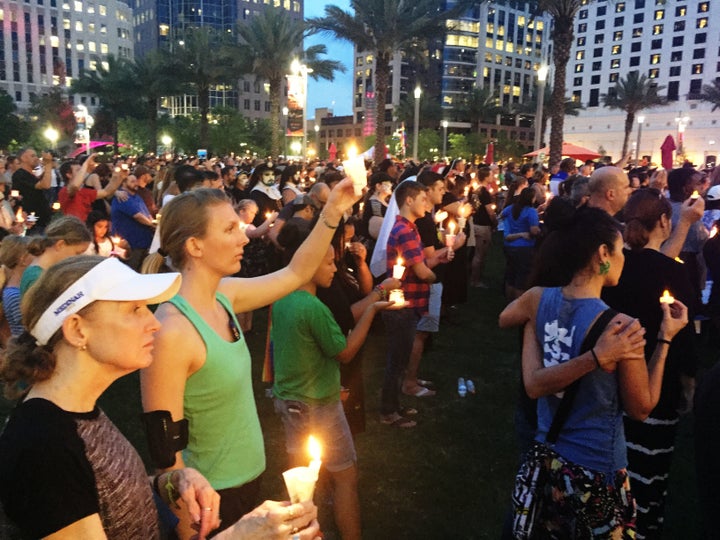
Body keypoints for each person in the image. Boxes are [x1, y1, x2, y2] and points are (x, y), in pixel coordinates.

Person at [0, 256, 320, 540]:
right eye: (134, 309)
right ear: (77, 330)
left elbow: (102, 498)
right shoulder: (44, 449)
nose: (153, 323)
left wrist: (170, 482)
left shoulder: (77, 412)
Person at [140, 181, 358, 536]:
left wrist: (332, 211)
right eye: (229, 229)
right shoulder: (173, 331)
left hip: (248, 480)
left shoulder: (223, 295)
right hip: (210, 497)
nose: (244, 238)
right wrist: (188, 531)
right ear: (194, 245)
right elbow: (168, 462)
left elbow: (296, 273)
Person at [499, 207, 689, 538]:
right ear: (603, 254)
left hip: (549, 459)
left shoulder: (537, 299)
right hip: (596, 469)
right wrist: (665, 338)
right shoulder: (622, 329)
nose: (624, 259)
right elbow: (641, 408)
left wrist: (533, 324)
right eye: (619, 251)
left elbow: (505, 317)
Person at [272, 227, 393, 540]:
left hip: (288, 400)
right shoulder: (314, 309)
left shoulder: (281, 299)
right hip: (319, 405)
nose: (334, 269)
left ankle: (299, 533)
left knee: (299, 484)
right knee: (345, 477)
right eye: (328, 263)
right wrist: (373, 310)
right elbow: (345, 353)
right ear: (309, 265)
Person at [601, 188, 698, 538]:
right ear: (662, 221)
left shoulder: (613, 269)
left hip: (613, 379)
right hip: (659, 380)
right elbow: (686, 338)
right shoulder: (672, 273)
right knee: (650, 467)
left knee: (620, 461)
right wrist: (689, 383)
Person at [381, 180, 452, 428]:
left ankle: (395, 406)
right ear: (408, 201)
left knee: (399, 360)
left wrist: (440, 259)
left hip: (408, 302)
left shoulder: (410, 228)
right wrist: (436, 278)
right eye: (422, 199)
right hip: (403, 304)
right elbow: (421, 273)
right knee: (396, 361)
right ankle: (388, 412)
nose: (426, 203)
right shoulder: (405, 231)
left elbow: (419, 264)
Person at [20, 215, 92, 295]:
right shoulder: (38, 279)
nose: (79, 258)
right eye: (77, 253)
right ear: (60, 245)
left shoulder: (49, 272)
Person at [500, 187, 540, 300]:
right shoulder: (531, 211)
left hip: (509, 246)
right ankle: (517, 304)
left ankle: (508, 301)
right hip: (524, 247)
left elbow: (502, 215)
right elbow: (534, 230)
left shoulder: (511, 208)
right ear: (531, 198)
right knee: (521, 277)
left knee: (511, 274)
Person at [111, 174, 156, 271]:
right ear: (123, 183)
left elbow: (147, 215)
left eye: (136, 181)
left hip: (143, 242)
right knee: (130, 270)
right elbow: (137, 216)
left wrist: (153, 222)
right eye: (132, 181)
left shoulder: (137, 197)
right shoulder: (123, 197)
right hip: (131, 244)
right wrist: (152, 224)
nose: (135, 184)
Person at [11, 148, 54, 232]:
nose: (37, 158)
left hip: (41, 219)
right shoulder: (20, 174)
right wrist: (48, 164)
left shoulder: (31, 175)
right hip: (32, 219)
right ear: (23, 158)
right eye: (33, 156)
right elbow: (45, 185)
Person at [0, 235, 32, 338]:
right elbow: (26, 330)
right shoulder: (15, 295)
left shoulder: (13, 289)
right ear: (23, 259)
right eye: (35, 254)